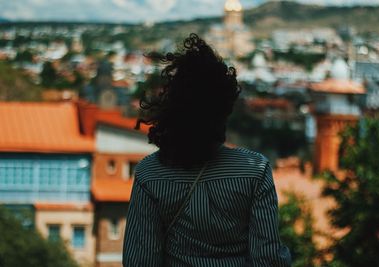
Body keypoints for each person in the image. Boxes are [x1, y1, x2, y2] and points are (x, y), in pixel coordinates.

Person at [123, 33, 291, 267]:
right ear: (224, 108)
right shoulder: (255, 171)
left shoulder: (149, 175)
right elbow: (268, 260)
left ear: (174, 107)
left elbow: (140, 261)